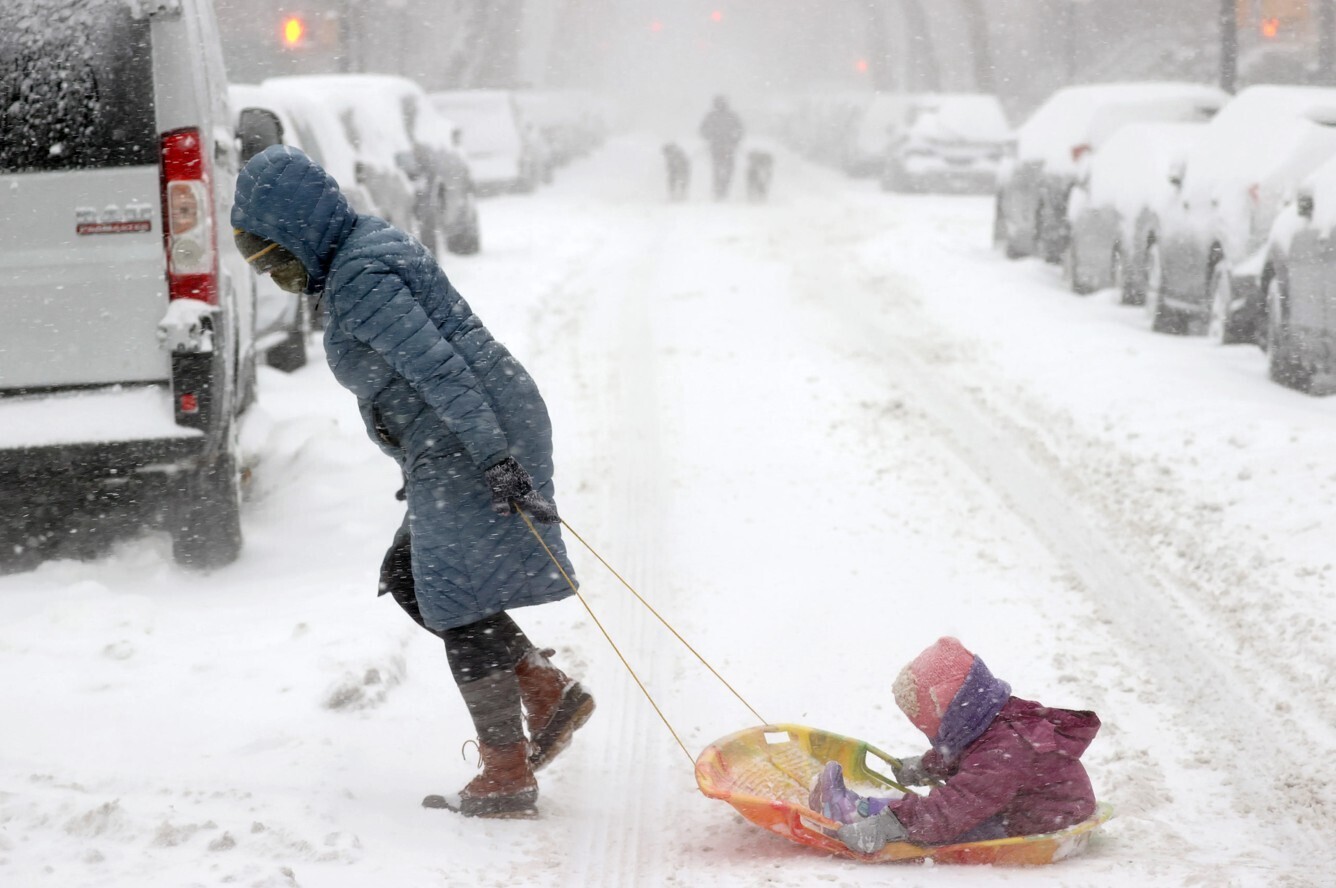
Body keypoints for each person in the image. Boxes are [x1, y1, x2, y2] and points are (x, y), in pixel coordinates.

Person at [232, 145, 594, 820]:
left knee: (453, 596)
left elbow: (443, 373)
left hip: (474, 435)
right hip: (452, 441)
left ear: (302, 228)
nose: (278, 275)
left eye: (277, 255)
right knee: (409, 573)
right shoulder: (352, 257)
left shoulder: (362, 276)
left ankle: (507, 771)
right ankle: (544, 690)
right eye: (263, 266)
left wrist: (494, 459)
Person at [809, 637, 1100, 852]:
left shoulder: (1006, 750)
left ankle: (856, 813)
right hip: (1029, 807)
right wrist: (928, 765)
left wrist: (892, 824)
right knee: (950, 809)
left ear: (951, 716)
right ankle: (865, 809)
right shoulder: (997, 718)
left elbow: (955, 807)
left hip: (1044, 823)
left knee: (946, 821)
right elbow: (973, 753)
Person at [698, 95, 744, 200]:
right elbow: (740, 129)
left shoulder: (713, 116)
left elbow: (702, 130)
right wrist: (735, 140)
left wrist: (709, 137)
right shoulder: (730, 115)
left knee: (720, 169)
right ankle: (721, 190)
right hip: (724, 146)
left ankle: (719, 190)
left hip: (721, 146)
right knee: (725, 169)